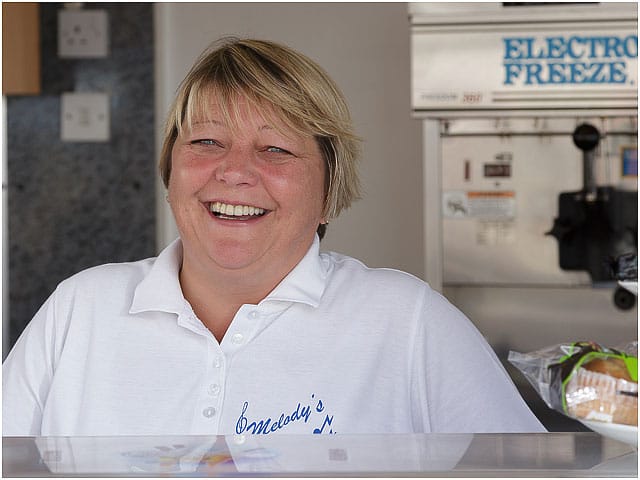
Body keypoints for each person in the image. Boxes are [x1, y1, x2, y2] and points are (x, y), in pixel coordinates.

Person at [2, 38, 545, 436]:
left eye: (276, 149)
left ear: (330, 185)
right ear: (171, 169)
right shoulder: (81, 307)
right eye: (208, 142)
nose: (234, 172)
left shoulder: (406, 321)